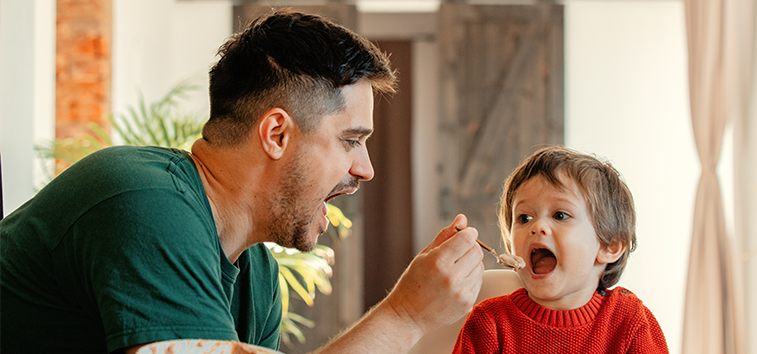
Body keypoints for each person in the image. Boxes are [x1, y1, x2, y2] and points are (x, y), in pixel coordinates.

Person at [0, 10, 484, 354]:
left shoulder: (257, 277)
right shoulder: (146, 202)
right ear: (276, 134)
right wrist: (404, 317)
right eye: (351, 141)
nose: (366, 169)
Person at [452, 146, 669, 353]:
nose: (537, 227)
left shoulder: (629, 320)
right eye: (524, 218)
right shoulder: (490, 322)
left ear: (609, 246)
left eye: (560, 215)